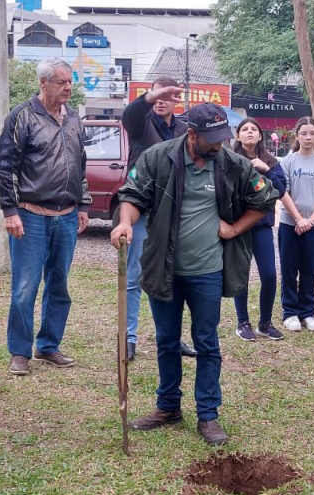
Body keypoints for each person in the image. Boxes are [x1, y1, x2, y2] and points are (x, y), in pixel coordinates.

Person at [110, 103, 277, 445]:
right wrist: (126, 222)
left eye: (222, 137)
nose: (218, 145)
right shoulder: (158, 157)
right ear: (192, 134)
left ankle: (208, 415)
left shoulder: (231, 163)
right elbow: (131, 194)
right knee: (166, 341)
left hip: (208, 272)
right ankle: (168, 406)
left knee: (206, 342)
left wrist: (233, 229)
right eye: (212, 139)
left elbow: (266, 199)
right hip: (164, 268)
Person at [0, 58, 91, 376]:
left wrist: (84, 204)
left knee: (59, 284)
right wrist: (10, 211)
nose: (67, 87)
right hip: (31, 214)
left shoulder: (74, 119)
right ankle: (19, 351)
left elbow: (81, 163)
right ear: (43, 83)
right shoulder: (21, 117)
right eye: (61, 81)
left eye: (70, 81)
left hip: (65, 215)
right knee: (25, 285)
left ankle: (48, 346)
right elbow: (5, 166)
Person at [118, 77, 197, 360]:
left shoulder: (185, 130)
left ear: (176, 100)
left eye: (168, 96)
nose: (162, 100)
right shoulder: (142, 122)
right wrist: (150, 97)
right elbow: (130, 113)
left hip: (174, 211)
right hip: (141, 209)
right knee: (134, 276)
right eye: (157, 95)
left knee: (173, 277)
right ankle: (128, 338)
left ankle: (172, 337)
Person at [231, 118, 286, 341]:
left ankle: (265, 323)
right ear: (237, 136)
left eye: (254, 129)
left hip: (262, 225)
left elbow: (282, 190)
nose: (250, 132)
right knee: (241, 276)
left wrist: (266, 170)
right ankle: (243, 322)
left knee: (270, 276)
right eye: (245, 129)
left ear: (261, 136)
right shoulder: (229, 159)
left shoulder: (271, 161)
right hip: (240, 227)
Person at [279, 116, 314, 331]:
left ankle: (307, 312)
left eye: (312, 133)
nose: (308, 137)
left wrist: (310, 220)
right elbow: (284, 192)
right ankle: (290, 312)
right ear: (297, 135)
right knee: (289, 269)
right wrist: (298, 219)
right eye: (304, 133)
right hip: (289, 224)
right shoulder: (288, 162)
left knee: (309, 269)